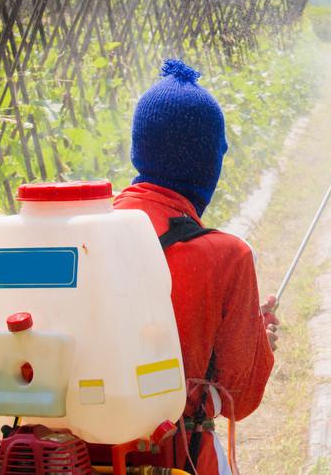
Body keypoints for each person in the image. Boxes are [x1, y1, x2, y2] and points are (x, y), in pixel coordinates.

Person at [105, 58, 278, 475]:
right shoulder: (226, 256)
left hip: (67, 457)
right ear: (208, 163)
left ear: (139, 149)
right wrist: (262, 343)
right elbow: (240, 395)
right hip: (175, 459)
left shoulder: (84, 230)